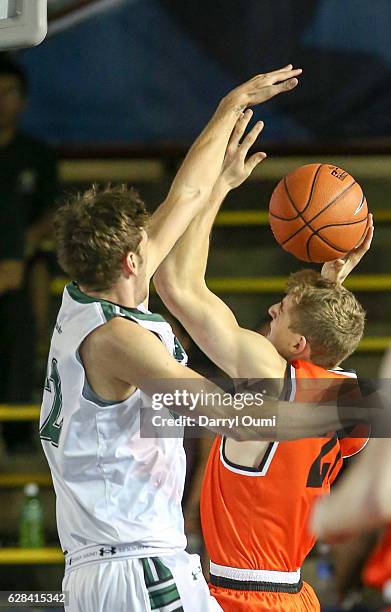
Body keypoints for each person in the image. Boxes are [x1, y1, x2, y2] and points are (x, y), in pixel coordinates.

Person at [40, 66, 356, 612]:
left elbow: (185, 194)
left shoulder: (84, 299)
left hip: (124, 560)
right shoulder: (118, 340)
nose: (161, 236)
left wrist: (228, 109)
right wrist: (353, 396)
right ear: (131, 259)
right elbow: (231, 415)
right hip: (134, 567)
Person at [154, 109, 374, 611]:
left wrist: (220, 187)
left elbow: (177, 284)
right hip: (297, 594)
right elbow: (326, 343)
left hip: (242, 597)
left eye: (283, 312)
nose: (272, 309)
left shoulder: (271, 373)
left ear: (298, 348)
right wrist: (325, 291)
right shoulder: (350, 396)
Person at [0, 56, 58, 451]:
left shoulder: (36, 154)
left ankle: (17, 436)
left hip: (18, 272)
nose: (1, 100)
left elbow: (53, 213)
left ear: (22, 99)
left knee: (19, 333)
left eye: (9, 92)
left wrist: (19, 253)